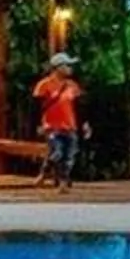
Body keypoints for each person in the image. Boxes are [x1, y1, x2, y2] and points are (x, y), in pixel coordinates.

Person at [33, 53, 86, 189]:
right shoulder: (44, 85)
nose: (70, 68)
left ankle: (63, 181)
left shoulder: (72, 85)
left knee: (69, 156)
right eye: (67, 65)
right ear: (58, 68)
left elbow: (79, 107)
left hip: (70, 125)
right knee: (57, 152)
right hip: (52, 126)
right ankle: (44, 173)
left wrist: (84, 123)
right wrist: (38, 124)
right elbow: (36, 106)